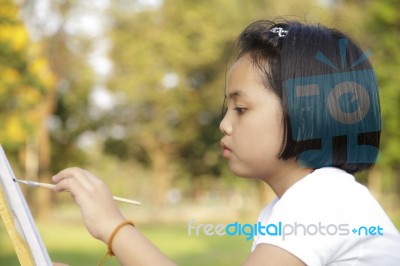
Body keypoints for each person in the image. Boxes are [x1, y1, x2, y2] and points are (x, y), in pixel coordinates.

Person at [52, 19, 400, 265]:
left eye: (241, 108)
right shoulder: (293, 206)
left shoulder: (325, 199)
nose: (224, 123)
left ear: (306, 111)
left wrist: (113, 227)